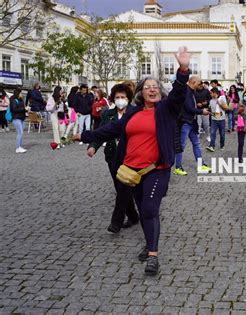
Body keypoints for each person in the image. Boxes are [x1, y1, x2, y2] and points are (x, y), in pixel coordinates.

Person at [74, 46, 191, 275]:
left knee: (149, 208)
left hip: (156, 169)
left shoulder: (166, 110)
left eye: (156, 87)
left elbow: (178, 92)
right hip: (131, 170)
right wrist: (85, 136)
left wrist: (183, 69)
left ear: (160, 92)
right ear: (140, 92)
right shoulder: (133, 113)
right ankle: (149, 242)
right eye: (147, 87)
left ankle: (153, 256)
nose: (152, 89)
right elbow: (110, 130)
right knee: (142, 208)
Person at [86, 84, 140, 233]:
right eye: (117, 97)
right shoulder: (108, 114)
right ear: (113, 99)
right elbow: (101, 132)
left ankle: (116, 222)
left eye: (123, 97)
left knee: (125, 187)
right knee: (119, 187)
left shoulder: (135, 113)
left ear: (129, 99)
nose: (120, 100)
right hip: (112, 155)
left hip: (130, 156)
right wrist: (93, 146)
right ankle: (133, 216)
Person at [174, 76, 211, 176]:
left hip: (191, 122)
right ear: (193, 82)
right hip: (185, 122)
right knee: (181, 145)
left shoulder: (191, 91)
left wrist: (198, 107)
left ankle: (201, 164)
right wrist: (201, 111)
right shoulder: (185, 91)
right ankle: (177, 167)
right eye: (199, 84)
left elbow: (191, 106)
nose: (201, 85)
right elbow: (188, 108)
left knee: (196, 143)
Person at [206, 87, 228, 152]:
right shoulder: (211, 101)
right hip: (214, 119)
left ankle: (222, 145)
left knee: (222, 134)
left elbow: (226, 108)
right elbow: (210, 109)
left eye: (211, 93)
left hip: (222, 119)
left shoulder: (222, 99)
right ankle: (212, 146)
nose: (210, 94)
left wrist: (220, 104)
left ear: (215, 93)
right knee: (212, 133)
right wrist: (209, 111)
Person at [9, 88, 27, 153]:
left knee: (21, 133)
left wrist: (25, 109)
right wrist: (23, 109)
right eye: (21, 93)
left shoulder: (20, 100)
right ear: (18, 93)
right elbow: (14, 109)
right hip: (16, 118)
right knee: (20, 133)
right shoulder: (13, 100)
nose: (21, 94)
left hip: (21, 117)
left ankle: (20, 146)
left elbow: (21, 108)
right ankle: (17, 148)